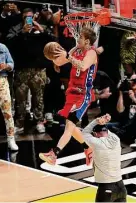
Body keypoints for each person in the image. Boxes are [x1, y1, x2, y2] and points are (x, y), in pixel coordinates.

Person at [39, 27, 98, 165]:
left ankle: (54, 154)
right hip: (72, 92)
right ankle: (88, 148)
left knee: (69, 126)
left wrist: (68, 56)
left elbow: (83, 66)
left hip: (83, 94)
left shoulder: (91, 53)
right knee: (70, 127)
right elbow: (60, 62)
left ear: (87, 41)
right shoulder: (76, 49)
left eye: (81, 37)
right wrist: (53, 56)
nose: (78, 38)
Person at [82, 114, 127, 202]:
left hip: (106, 188)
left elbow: (84, 132)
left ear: (95, 134)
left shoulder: (96, 143)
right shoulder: (116, 139)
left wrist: (96, 121)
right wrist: (103, 122)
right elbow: (106, 132)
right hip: (121, 186)